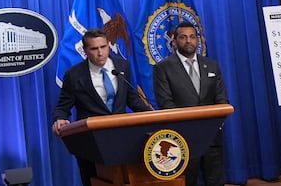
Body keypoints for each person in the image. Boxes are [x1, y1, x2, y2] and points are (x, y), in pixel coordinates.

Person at [52, 28, 152, 186]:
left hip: (121, 138)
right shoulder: (74, 75)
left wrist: (153, 116)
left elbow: (132, 99)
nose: (100, 53)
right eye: (94, 49)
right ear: (85, 51)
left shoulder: (122, 66)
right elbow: (62, 107)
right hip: (91, 143)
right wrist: (60, 119)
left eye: (103, 47)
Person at [153, 21, 229, 186]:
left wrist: (215, 124)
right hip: (183, 138)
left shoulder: (212, 65)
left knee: (215, 181)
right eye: (183, 37)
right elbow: (165, 103)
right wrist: (190, 127)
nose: (189, 41)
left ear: (197, 40)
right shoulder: (163, 68)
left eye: (193, 37)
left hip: (211, 136)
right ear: (174, 41)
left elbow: (222, 100)